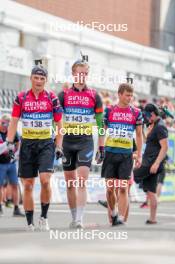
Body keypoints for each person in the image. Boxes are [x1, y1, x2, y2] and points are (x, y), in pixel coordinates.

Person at [6, 65, 63, 231]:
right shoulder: (21, 97)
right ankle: (30, 222)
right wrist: (10, 143)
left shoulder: (52, 98)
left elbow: (60, 124)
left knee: (45, 181)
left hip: (46, 143)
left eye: (42, 79)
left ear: (46, 80)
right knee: (28, 185)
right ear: (31, 78)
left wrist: (58, 145)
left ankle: (43, 218)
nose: (39, 81)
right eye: (36, 78)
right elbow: (14, 121)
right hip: (27, 145)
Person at [58, 56, 104, 228]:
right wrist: (57, 143)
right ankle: (73, 216)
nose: (83, 76)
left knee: (82, 180)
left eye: (86, 73)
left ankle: (79, 220)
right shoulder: (63, 95)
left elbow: (100, 124)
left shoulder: (94, 95)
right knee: (70, 183)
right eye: (80, 73)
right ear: (73, 73)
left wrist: (101, 146)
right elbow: (57, 121)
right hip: (67, 141)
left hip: (85, 141)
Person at [101, 83, 143, 226]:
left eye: (131, 95)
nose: (130, 98)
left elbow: (139, 134)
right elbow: (102, 131)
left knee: (124, 188)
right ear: (119, 94)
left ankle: (122, 219)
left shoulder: (136, 112)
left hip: (126, 155)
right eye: (127, 95)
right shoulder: (109, 110)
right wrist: (99, 149)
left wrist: (139, 154)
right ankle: (113, 215)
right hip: (110, 154)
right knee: (110, 189)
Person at [134, 103, 168, 224]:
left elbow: (165, 147)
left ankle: (114, 203)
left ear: (152, 114)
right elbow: (146, 141)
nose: (147, 118)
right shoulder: (154, 125)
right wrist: (143, 130)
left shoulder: (160, 127)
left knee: (128, 175)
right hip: (150, 161)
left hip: (151, 162)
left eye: (148, 116)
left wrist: (156, 163)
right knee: (151, 191)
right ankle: (152, 219)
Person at [0, 114, 24, 217]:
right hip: (0, 163)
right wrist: (7, 145)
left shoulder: (13, 132)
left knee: (14, 185)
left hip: (11, 163)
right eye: (3, 123)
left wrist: (15, 155)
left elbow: (18, 143)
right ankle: (0, 206)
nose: (5, 126)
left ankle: (16, 208)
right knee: (0, 185)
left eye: (7, 124)